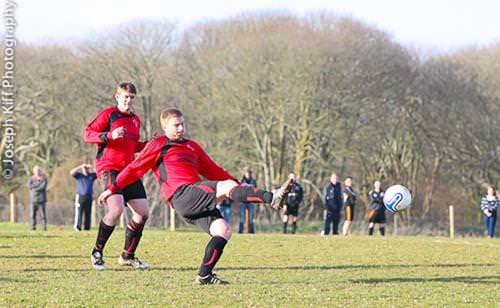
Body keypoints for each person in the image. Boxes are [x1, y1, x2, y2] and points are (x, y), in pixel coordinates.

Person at [98, 108, 294, 285]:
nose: (181, 128)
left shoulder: (192, 146)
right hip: (182, 194)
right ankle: (272, 197)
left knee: (223, 230)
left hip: (195, 197)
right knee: (226, 188)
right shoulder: (159, 144)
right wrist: (112, 188)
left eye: (183, 124)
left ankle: (204, 275)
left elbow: (213, 170)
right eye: (176, 125)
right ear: (164, 126)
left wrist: (236, 183)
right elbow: (134, 168)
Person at [84, 82, 149, 270]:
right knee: (116, 210)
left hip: (129, 170)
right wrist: (110, 135)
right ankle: (97, 251)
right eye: (125, 97)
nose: (128, 100)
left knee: (143, 212)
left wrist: (147, 145)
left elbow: (132, 145)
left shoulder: (136, 120)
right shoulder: (109, 114)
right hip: (109, 167)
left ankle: (127, 255)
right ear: (117, 97)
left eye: (132, 97)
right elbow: (88, 134)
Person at [70, 163, 97, 231]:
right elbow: (71, 172)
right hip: (80, 196)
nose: (85, 170)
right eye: (84, 169)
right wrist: (80, 166)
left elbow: (99, 172)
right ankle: (78, 227)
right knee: (79, 212)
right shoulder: (79, 176)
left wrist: (91, 167)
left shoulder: (92, 176)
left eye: (86, 169)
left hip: (89, 196)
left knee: (88, 213)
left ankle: (87, 228)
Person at [28, 165, 48, 231]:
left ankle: (44, 228)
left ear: (40, 171)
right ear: (33, 171)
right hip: (33, 200)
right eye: (36, 170)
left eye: (39, 170)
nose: (37, 172)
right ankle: (33, 227)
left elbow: (42, 187)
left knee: (43, 215)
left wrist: (34, 188)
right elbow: (29, 186)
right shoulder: (31, 178)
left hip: (41, 200)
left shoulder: (44, 178)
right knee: (32, 215)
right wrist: (37, 184)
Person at [239, 167, 257, 234]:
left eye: (249, 173)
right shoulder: (241, 181)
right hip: (243, 202)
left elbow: (255, 190)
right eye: (247, 173)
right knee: (242, 218)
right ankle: (240, 232)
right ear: (244, 173)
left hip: (251, 202)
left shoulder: (253, 181)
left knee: (251, 218)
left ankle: (252, 232)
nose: (248, 174)